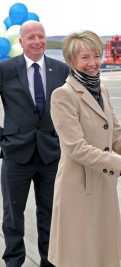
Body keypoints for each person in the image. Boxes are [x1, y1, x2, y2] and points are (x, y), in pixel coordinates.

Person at [48, 30, 121, 267]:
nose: (93, 63)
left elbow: (116, 135)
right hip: (78, 186)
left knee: (103, 254)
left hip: (104, 184)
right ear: (71, 62)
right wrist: (118, 163)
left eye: (96, 56)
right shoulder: (63, 96)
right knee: (80, 255)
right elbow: (76, 147)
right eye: (85, 58)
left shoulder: (102, 91)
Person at [0, 20, 69, 267]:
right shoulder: (5, 69)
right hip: (16, 154)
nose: (37, 41)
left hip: (51, 154)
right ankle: (14, 261)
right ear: (21, 42)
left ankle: (49, 262)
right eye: (31, 37)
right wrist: (3, 138)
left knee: (50, 215)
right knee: (12, 215)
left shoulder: (61, 70)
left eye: (41, 36)